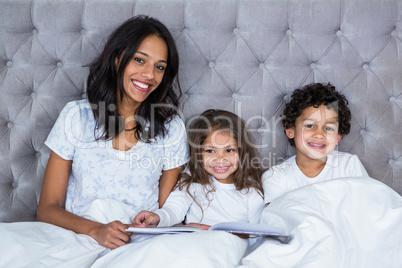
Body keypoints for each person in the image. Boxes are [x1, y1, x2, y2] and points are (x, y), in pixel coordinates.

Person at [36, 15, 189, 249]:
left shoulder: (171, 128)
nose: (150, 75)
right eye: (140, 60)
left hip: (139, 245)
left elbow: (168, 211)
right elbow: (47, 209)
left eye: (159, 67)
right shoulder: (77, 116)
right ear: (118, 59)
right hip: (78, 238)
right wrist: (96, 230)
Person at [133, 109, 265, 230]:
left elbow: (256, 233)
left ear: (242, 152)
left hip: (230, 246)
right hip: (195, 243)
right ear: (198, 153)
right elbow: (174, 209)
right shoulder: (192, 179)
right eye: (210, 151)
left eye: (229, 150)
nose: (220, 159)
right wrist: (157, 217)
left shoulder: (251, 190)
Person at [263, 82, 369, 204]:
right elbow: (276, 218)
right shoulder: (275, 177)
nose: (319, 134)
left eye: (329, 128)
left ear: (337, 138)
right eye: (310, 125)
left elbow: (364, 208)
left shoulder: (349, 166)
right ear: (290, 130)